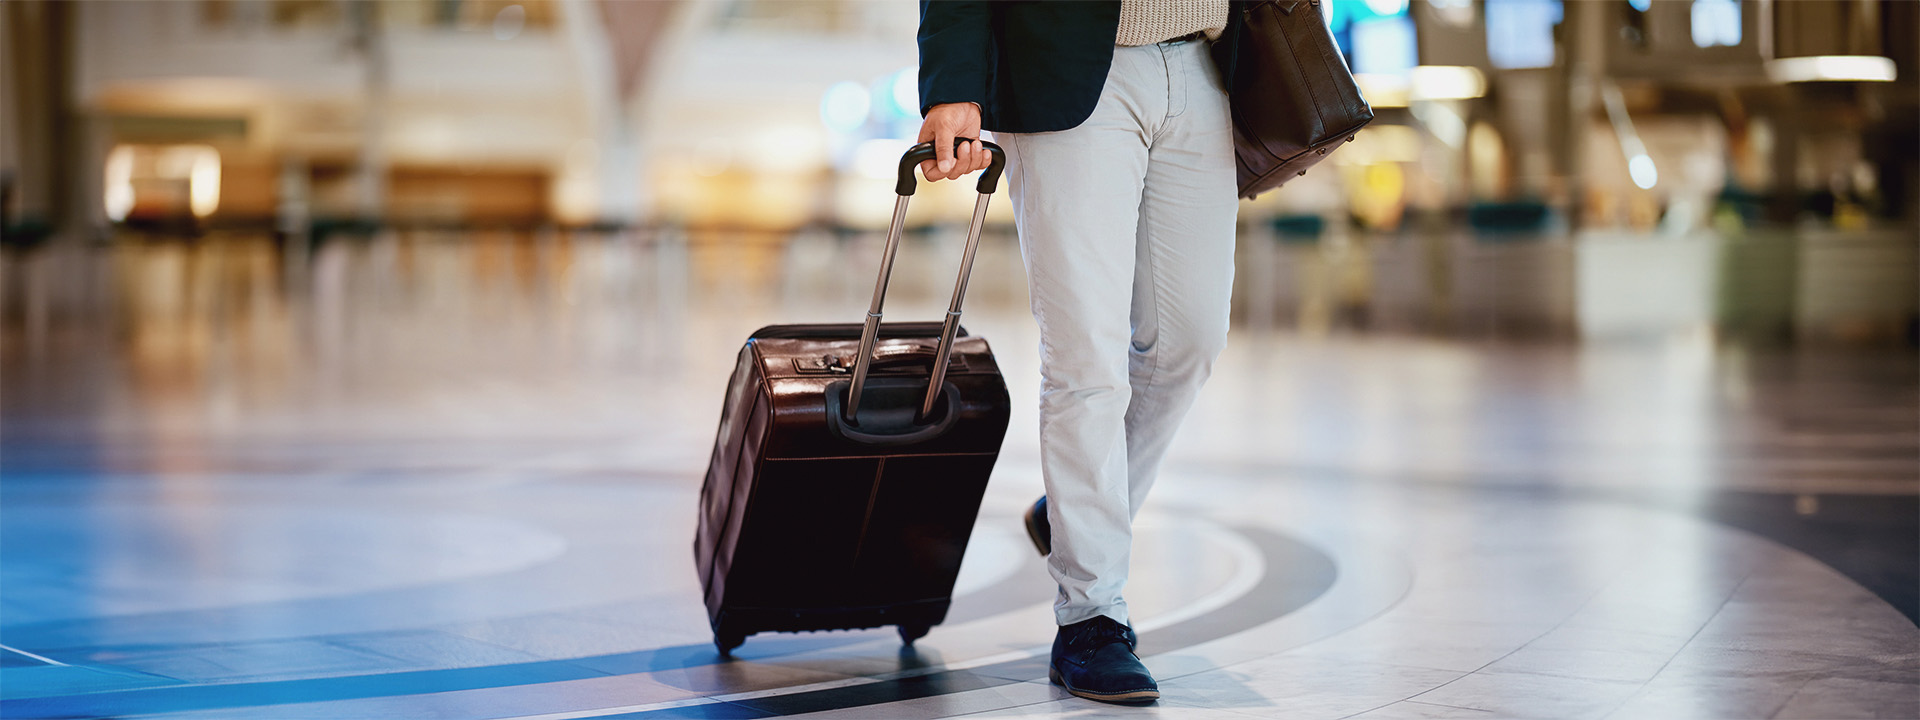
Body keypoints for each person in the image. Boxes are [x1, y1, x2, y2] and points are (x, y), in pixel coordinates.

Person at [916, 0, 1244, 705]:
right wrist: (952, 83)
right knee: (1085, 357)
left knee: (1189, 340)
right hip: (1067, 68)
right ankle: (1091, 616)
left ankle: (1072, 515)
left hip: (1206, 63)